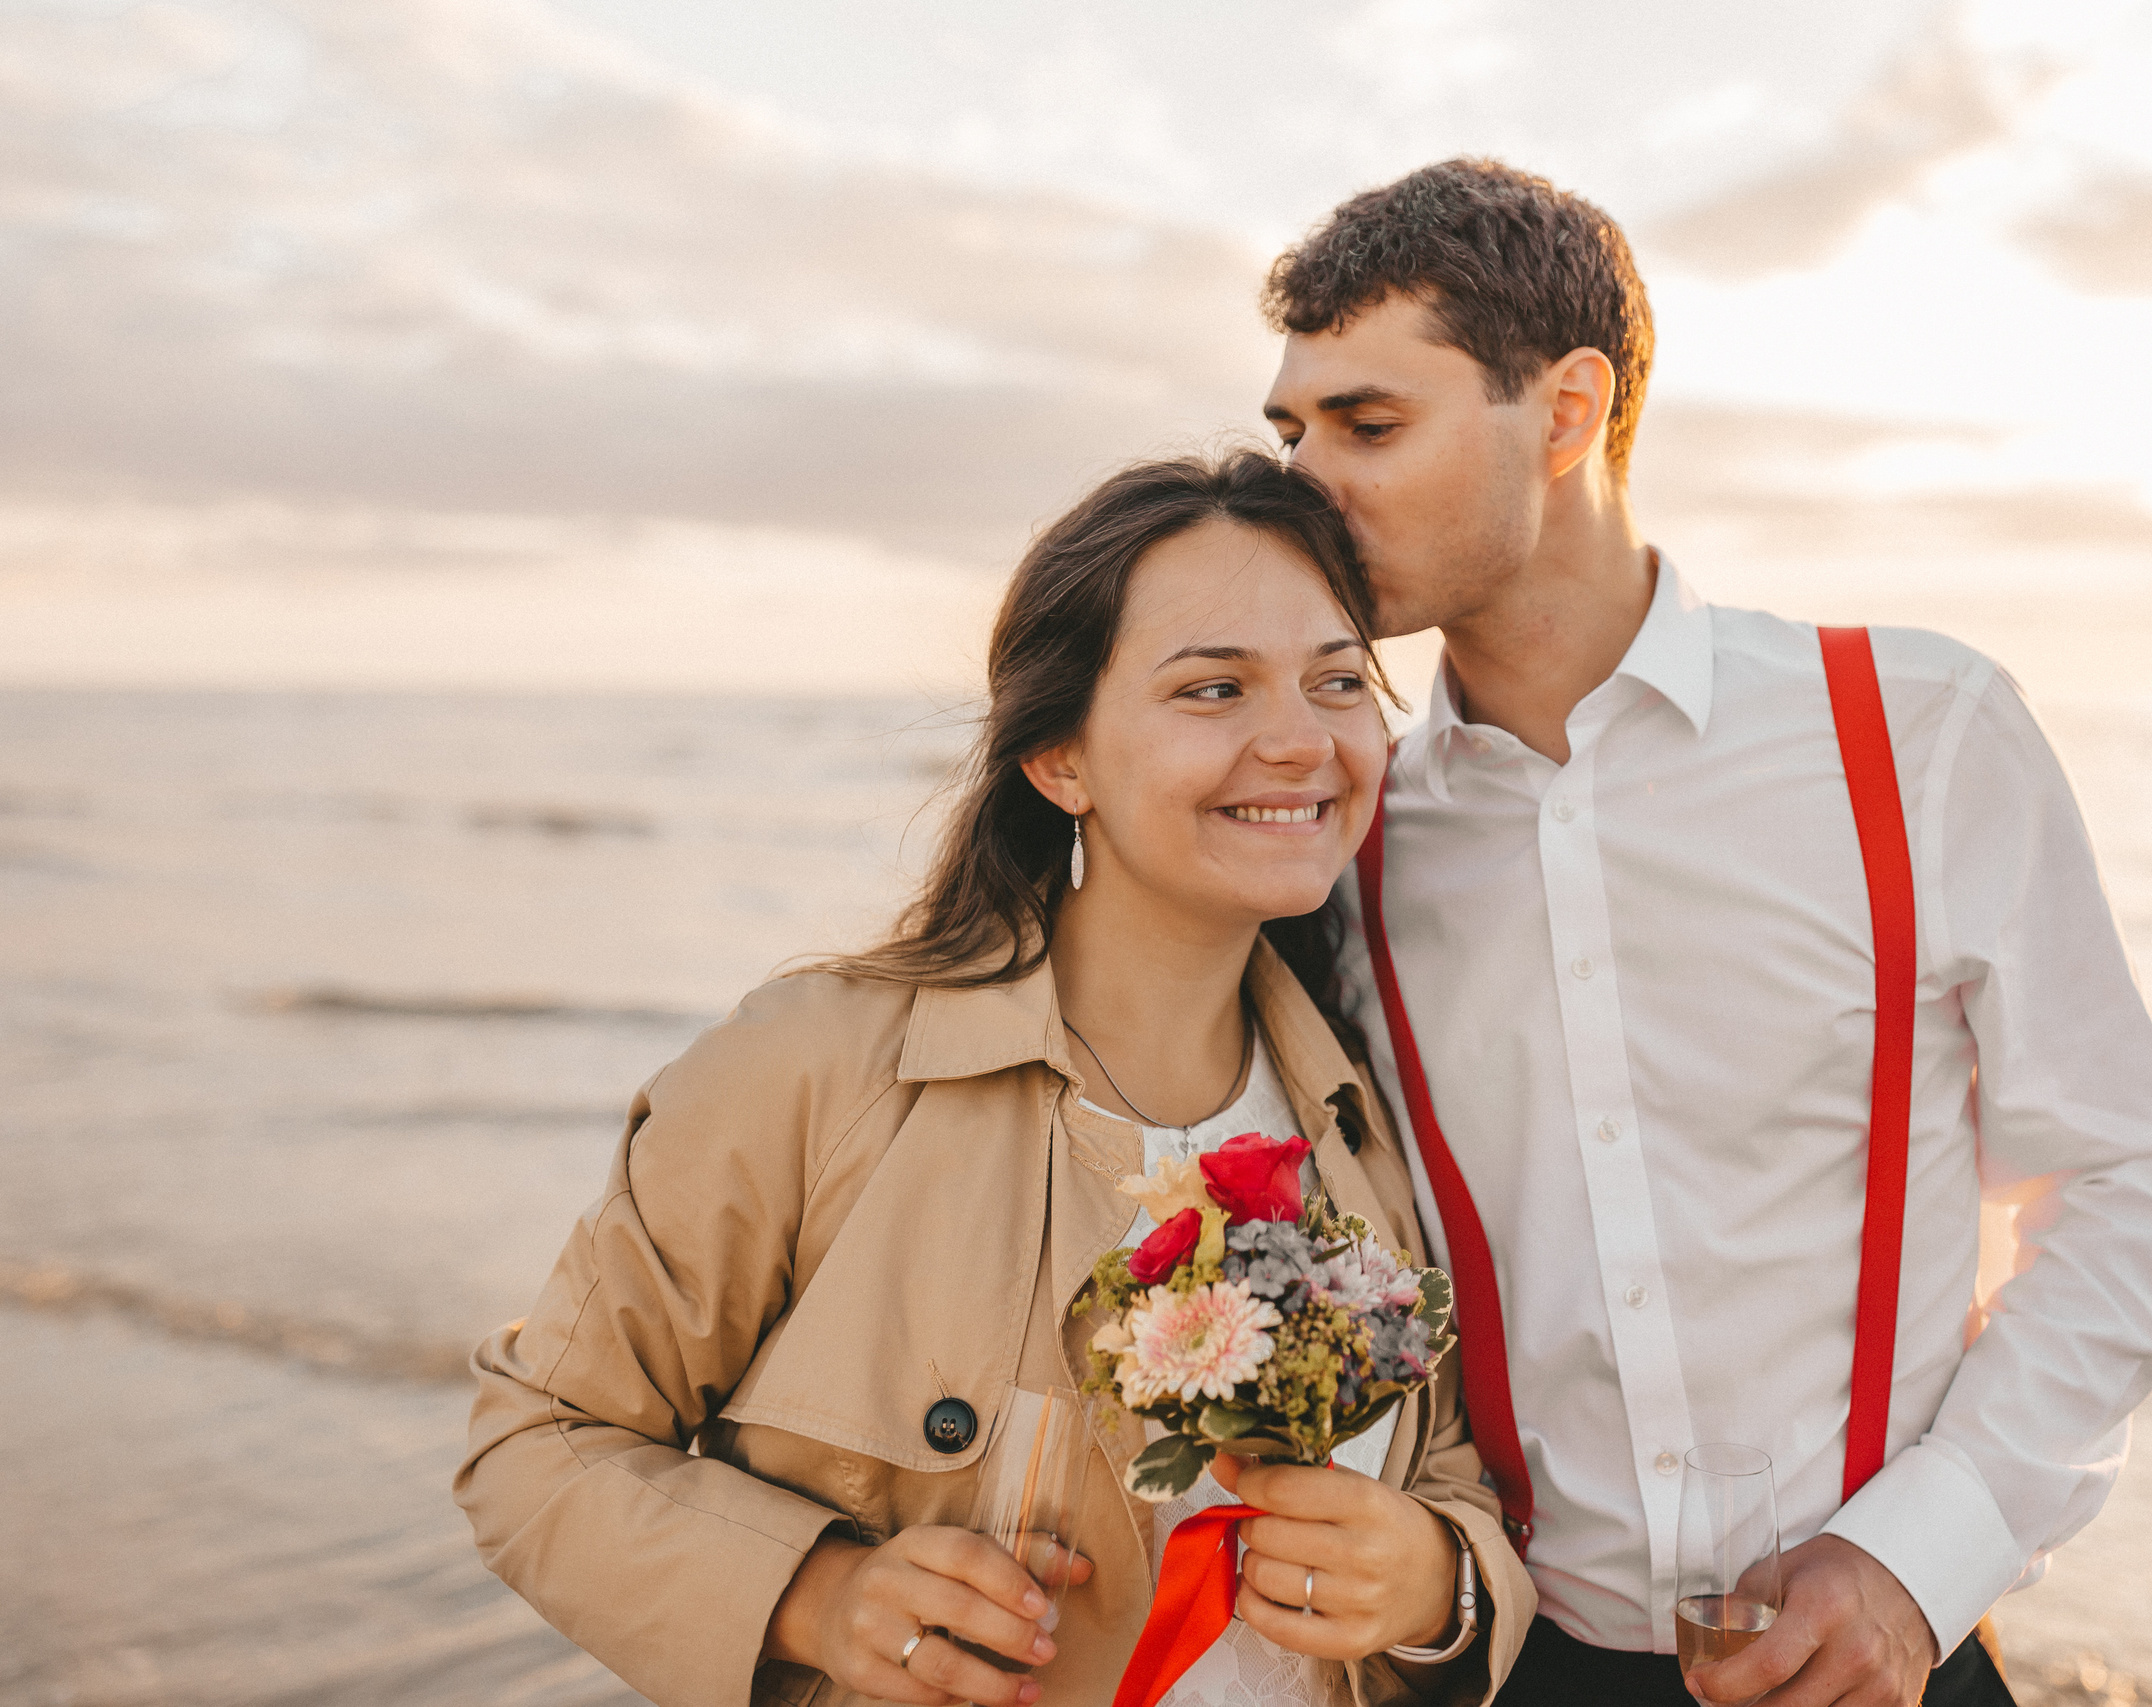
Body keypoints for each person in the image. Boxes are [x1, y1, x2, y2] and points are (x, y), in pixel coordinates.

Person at [1257, 160, 2152, 1707]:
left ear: (1568, 411)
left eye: (1369, 426)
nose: (1308, 477)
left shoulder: (1920, 729)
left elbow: (2128, 1177)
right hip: (1509, 1663)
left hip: (1890, 1654)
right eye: (1291, 432)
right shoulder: (1346, 834)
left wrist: (1921, 1555)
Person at [453, 450, 1533, 1707]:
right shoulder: (821, 1068)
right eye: (1212, 688)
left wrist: (1434, 1585)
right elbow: (536, 1445)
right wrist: (822, 1597)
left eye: (1339, 680)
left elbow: (1448, 1472)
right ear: (1059, 759)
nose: (1298, 740)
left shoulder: (1361, 1115)